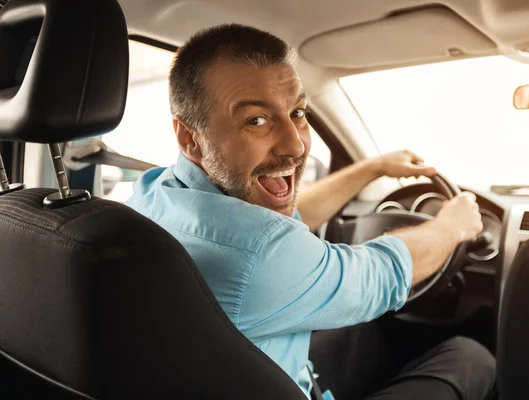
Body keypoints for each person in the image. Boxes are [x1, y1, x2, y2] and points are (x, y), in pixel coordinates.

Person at [126, 24, 496, 400]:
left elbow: (274, 221)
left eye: (298, 112)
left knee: (364, 333)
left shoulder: (155, 192)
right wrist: (452, 226)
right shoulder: (256, 255)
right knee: (471, 357)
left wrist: (372, 168)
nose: (296, 145)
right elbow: (377, 276)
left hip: (240, 371)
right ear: (191, 138)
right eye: (256, 120)